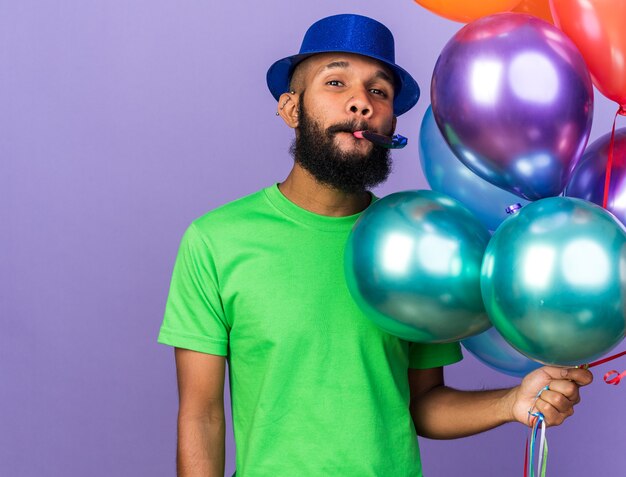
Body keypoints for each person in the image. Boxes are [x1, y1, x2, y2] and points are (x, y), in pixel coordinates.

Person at [158, 14, 593, 477]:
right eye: (336, 82)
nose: (360, 104)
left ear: (390, 121)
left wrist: (512, 402)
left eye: (378, 92)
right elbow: (201, 416)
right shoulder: (215, 241)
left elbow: (423, 404)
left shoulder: (416, 245)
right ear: (290, 108)